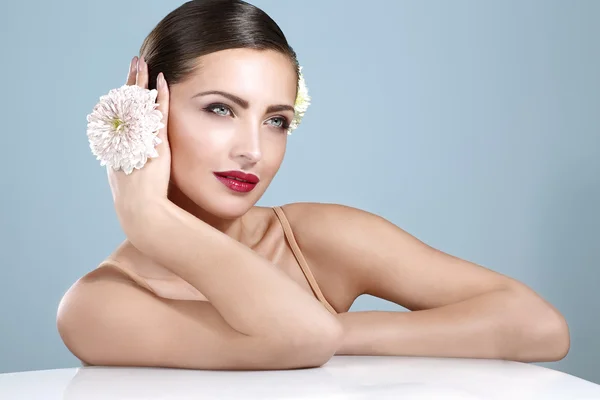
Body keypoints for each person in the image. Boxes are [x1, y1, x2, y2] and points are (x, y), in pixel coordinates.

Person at [56, 0, 570, 371]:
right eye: (220, 109)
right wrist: (152, 224)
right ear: (146, 113)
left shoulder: (314, 238)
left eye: (276, 120)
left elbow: (541, 327)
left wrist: (340, 334)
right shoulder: (98, 306)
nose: (253, 150)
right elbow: (301, 336)